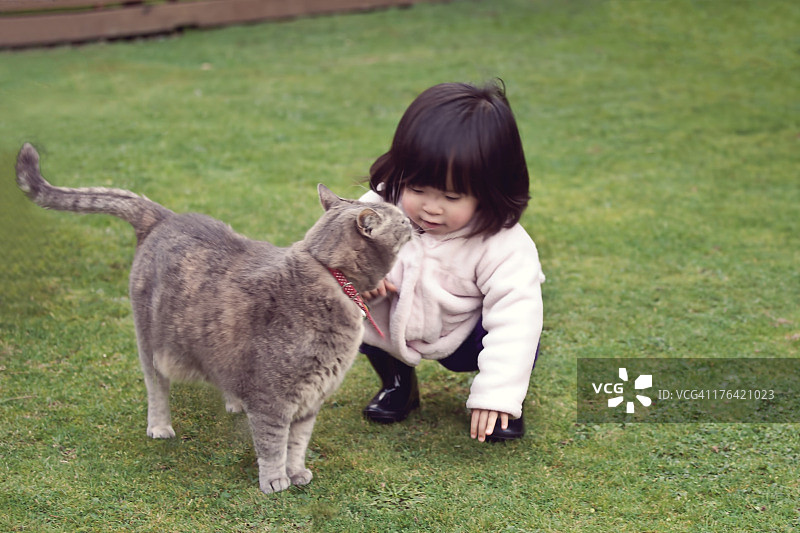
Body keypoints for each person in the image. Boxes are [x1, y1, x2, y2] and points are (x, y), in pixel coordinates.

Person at [358, 80, 544, 442]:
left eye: (451, 195)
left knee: (520, 328)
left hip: (462, 333)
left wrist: (499, 395)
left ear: (490, 191)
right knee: (355, 304)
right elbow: (341, 242)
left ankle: (501, 408)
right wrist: (359, 271)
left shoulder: (503, 244)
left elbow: (515, 320)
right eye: (416, 189)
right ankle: (398, 385)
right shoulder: (380, 205)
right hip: (395, 320)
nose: (430, 207)